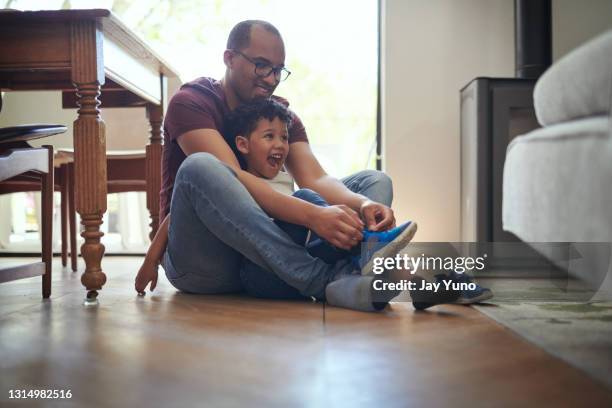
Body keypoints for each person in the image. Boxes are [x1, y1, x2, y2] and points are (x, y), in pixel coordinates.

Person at [135, 19, 460, 311]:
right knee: (200, 167)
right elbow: (235, 180)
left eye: (278, 70)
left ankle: (364, 271)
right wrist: (315, 216)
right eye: (261, 65)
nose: (271, 78)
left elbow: (315, 178)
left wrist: (364, 205)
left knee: (374, 182)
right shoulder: (192, 102)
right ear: (229, 58)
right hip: (206, 263)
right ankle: (332, 281)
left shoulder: (279, 115)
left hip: (266, 265)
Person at [224, 98, 419, 300]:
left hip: (300, 269)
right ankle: (367, 247)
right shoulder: (241, 186)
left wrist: (360, 206)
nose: (280, 145)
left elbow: (319, 183)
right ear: (242, 144)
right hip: (262, 275)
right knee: (306, 196)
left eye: (284, 138)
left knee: (364, 191)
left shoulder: (284, 179)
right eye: (269, 136)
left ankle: (421, 285)